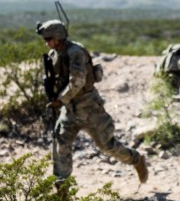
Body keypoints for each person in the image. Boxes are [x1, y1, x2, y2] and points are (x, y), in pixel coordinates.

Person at [36, 19, 148, 184]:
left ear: (58, 37)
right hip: (70, 110)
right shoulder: (55, 55)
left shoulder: (76, 53)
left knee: (107, 146)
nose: (46, 43)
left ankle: (136, 159)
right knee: (61, 144)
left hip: (89, 108)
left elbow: (77, 82)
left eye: (48, 39)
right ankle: (61, 185)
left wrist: (60, 100)